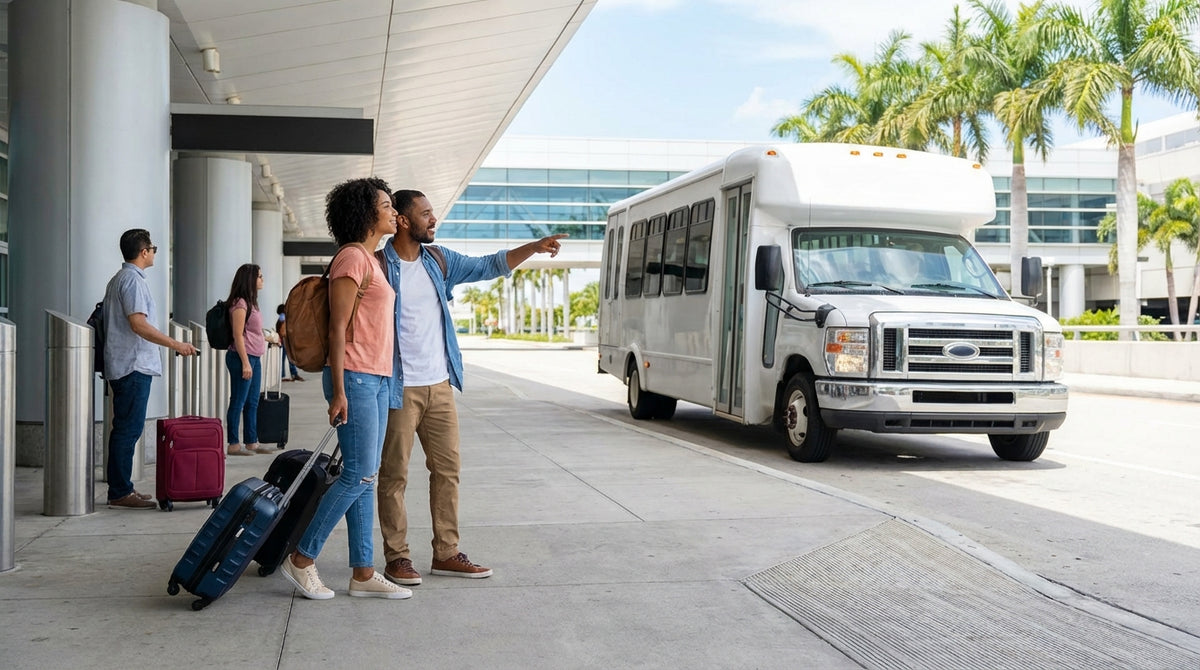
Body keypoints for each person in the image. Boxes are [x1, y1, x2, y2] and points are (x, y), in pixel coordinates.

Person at [377, 189, 565, 586]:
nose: (434, 220)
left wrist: (533, 246)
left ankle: (446, 553)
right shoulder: (378, 266)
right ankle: (397, 558)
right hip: (398, 388)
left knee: (448, 471)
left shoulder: (439, 261)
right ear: (404, 220)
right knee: (394, 476)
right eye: (426, 214)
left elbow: (489, 264)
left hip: (439, 385)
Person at [280, 177, 410, 600]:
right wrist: (338, 390)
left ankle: (363, 572)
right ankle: (301, 559)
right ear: (367, 213)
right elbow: (337, 328)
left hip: (374, 378)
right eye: (387, 205)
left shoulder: (371, 260)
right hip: (353, 377)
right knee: (356, 475)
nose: (394, 212)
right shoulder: (352, 258)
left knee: (366, 478)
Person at [102, 229, 197, 509]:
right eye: (153, 248)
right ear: (144, 252)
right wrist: (175, 344)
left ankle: (123, 487)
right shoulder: (131, 281)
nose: (154, 252)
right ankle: (119, 492)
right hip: (132, 365)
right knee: (127, 430)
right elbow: (138, 324)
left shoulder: (121, 279)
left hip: (128, 364)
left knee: (126, 429)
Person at [224, 264, 268, 456]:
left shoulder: (252, 303)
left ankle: (251, 441)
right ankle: (233, 443)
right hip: (242, 357)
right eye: (259, 276)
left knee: (252, 402)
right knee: (238, 400)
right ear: (250, 279)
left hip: (254, 357)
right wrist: (245, 362)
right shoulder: (240, 304)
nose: (262, 279)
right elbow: (237, 335)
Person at [275, 304, 304, 382]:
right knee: (288, 358)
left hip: (283, 339)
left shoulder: (282, 317)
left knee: (284, 357)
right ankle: (292, 374)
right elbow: (283, 329)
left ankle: (285, 375)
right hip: (284, 340)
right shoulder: (283, 316)